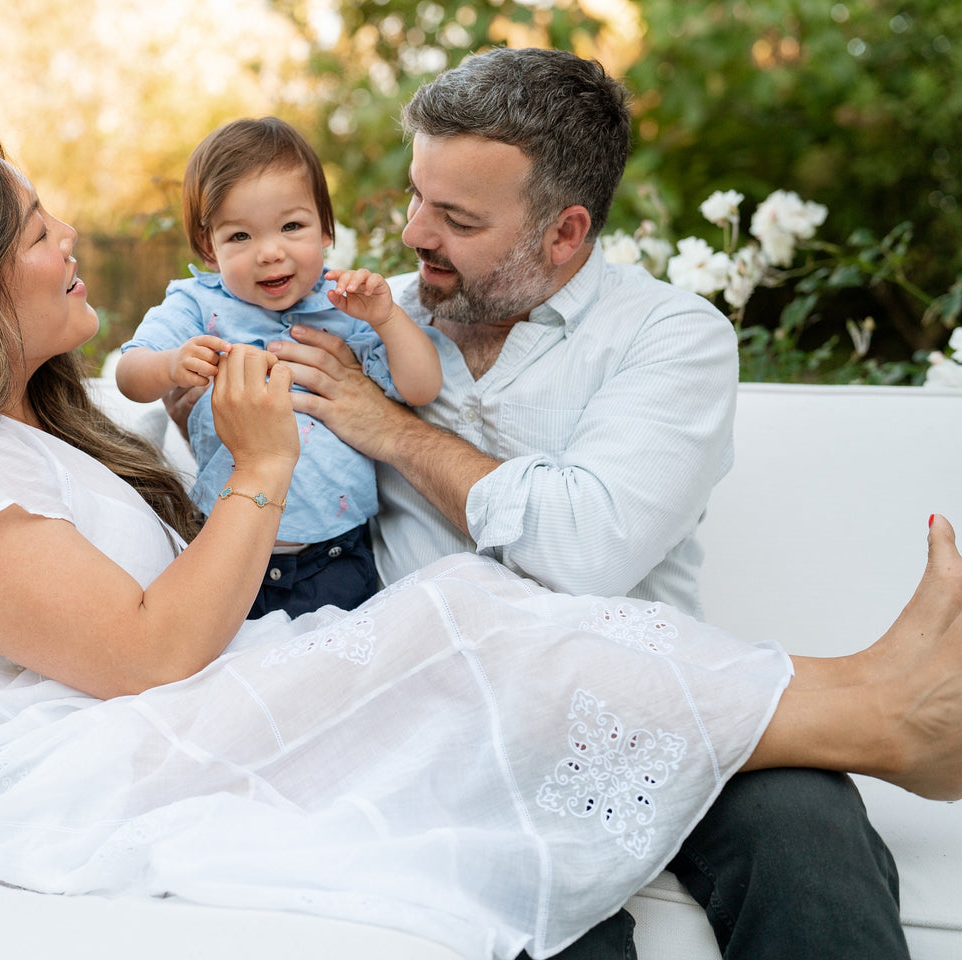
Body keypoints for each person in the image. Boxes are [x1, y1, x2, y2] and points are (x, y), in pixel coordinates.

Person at [0, 129, 962, 960]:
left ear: (564, 228)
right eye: (38, 227)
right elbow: (143, 654)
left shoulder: (52, 421)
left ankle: (874, 706)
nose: (69, 229)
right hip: (86, 770)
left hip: (162, 710)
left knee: (501, 636)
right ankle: (882, 708)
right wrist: (268, 466)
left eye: (454, 216)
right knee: (471, 618)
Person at [255, 47, 911, 959]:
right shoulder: (366, 328)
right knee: (538, 927)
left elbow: (586, 549)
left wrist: (395, 431)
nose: (412, 234)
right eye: (413, 196)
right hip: (457, 726)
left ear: (564, 234)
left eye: (455, 217)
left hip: (653, 705)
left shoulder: (670, 339)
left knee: (811, 834)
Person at [115, 117, 441, 619]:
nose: (270, 252)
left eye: (292, 226)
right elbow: (129, 375)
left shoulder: (344, 305)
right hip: (229, 549)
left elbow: (421, 388)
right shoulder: (197, 304)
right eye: (240, 236)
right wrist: (171, 364)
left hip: (337, 554)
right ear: (209, 247)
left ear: (325, 228)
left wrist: (389, 318)